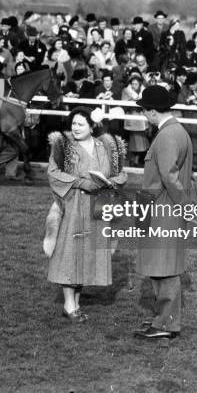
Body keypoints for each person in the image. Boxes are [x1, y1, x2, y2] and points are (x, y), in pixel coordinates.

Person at [45, 106, 127, 322]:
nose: (76, 127)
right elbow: (53, 173)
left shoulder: (106, 147)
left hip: (98, 207)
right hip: (73, 206)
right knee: (71, 251)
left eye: (81, 124)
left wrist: (111, 183)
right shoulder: (64, 146)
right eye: (73, 123)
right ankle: (69, 304)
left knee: (87, 253)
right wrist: (81, 182)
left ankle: (76, 303)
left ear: (93, 126)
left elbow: (121, 174)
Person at [133, 85, 196, 340]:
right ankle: (163, 320)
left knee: (164, 268)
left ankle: (166, 325)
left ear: (150, 112)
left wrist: (186, 208)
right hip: (163, 206)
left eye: (144, 110)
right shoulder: (176, 131)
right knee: (162, 265)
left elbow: (170, 178)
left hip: (163, 208)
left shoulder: (167, 135)